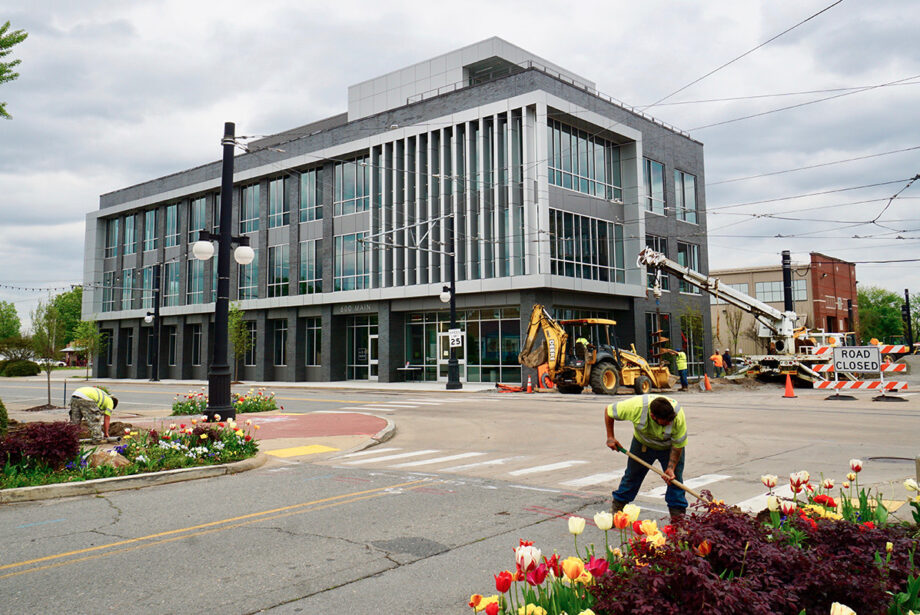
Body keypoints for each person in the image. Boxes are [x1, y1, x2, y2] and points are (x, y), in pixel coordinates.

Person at [605, 394, 688, 519]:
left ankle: (678, 520)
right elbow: (609, 411)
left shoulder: (677, 416)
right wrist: (610, 437)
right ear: (653, 416)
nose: (668, 424)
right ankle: (617, 510)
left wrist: (671, 468)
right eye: (665, 423)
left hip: (669, 448)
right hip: (643, 445)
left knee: (674, 482)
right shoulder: (636, 407)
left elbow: (678, 446)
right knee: (631, 477)